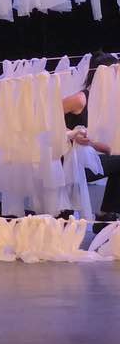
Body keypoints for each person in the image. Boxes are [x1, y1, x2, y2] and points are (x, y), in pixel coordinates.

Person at [62, 51, 119, 229]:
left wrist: (96, 143)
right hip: (68, 161)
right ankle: (104, 214)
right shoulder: (80, 99)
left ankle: (106, 214)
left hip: (86, 160)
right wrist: (71, 133)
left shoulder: (106, 103)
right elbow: (47, 119)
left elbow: (104, 146)